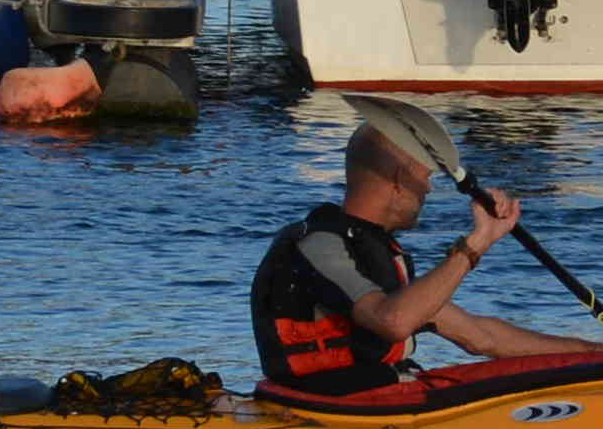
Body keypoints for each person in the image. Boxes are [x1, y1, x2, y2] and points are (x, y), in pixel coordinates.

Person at [249, 104, 585, 395]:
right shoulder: (321, 245)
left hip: (384, 396)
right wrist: (475, 244)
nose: (426, 188)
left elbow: (483, 338)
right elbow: (394, 322)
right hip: (329, 406)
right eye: (424, 176)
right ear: (398, 180)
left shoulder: (376, 249)